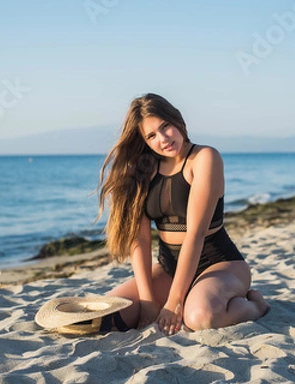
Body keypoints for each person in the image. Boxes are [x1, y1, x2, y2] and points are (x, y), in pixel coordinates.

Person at [96, 93, 269, 335]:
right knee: (107, 316)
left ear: (176, 120)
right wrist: (147, 301)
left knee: (199, 317)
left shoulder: (204, 158)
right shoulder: (143, 170)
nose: (164, 139)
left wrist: (174, 301)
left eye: (165, 127)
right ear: (144, 141)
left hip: (218, 264)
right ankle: (185, 295)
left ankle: (256, 306)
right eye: (152, 136)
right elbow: (141, 240)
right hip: (169, 267)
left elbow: (195, 235)